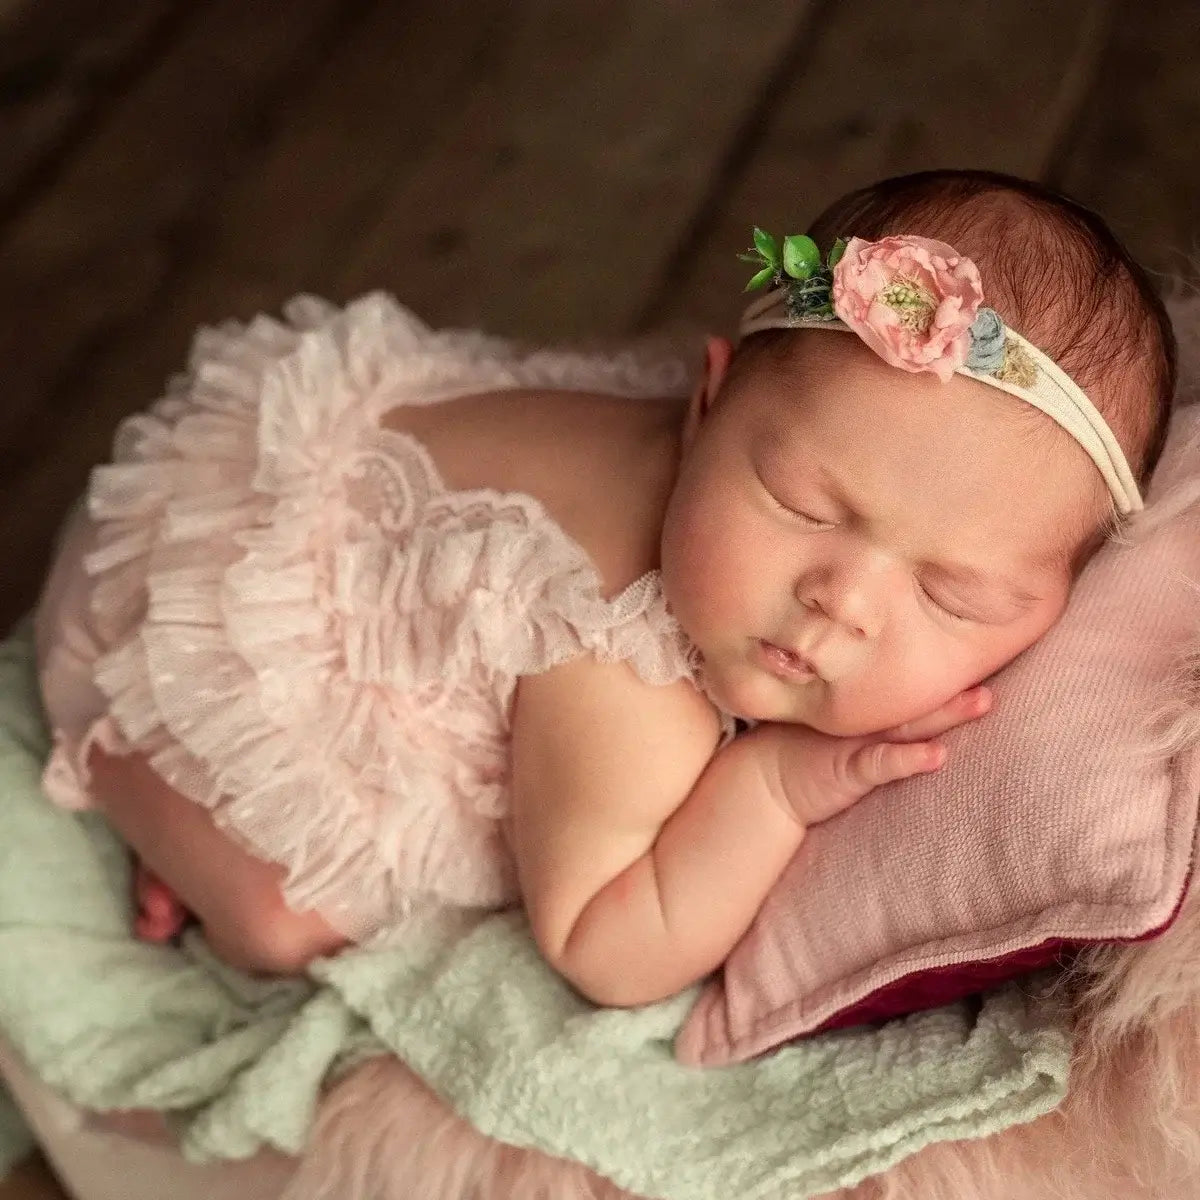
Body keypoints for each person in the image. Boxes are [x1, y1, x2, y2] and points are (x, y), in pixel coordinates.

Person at [32, 169, 1176, 1007]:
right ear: (705, 405)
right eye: (803, 506)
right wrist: (771, 788)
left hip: (348, 461)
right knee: (294, 923)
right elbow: (600, 945)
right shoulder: (623, 664)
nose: (841, 600)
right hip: (182, 587)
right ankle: (136, 763)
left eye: (954, 594)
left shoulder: (781, 456)